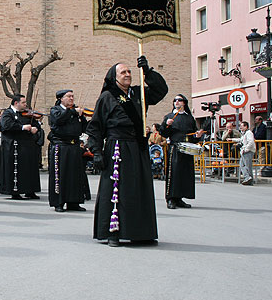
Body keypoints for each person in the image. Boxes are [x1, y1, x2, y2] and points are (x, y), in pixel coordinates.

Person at [86, 56, 168, 247]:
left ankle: (139, 231)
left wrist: (148, 71)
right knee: (117, 190)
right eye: (123, 72)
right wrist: (96, 151)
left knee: (138, 189)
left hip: (137, 147)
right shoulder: (107, 97)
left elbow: (161, 91)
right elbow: (95, 126)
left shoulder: (139, 94)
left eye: (130, 71)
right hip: (117, 146)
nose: (128, 74)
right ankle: (113, 233)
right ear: (114, 77)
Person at [159, 94, 206, 209]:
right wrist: (166, 125)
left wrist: (198, 135)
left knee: (184, 174)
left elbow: (193, 136)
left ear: (184, 103)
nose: (177, 102)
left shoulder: (189, 118)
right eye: (175, 100)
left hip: (186, 149)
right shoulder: (169, 116)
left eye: (179, 100)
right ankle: (170, 199)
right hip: (175, 148)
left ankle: (179, 198)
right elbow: (163, 133)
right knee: (173, 174)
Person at [47, 89, 88, 212]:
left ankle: (74, 202)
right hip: (61, 146)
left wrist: (82, 117)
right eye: (68, 96)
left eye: (72, 96)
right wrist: (72, 111)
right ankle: (58, 202)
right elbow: (58, 121)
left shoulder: (75, 111)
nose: (71, 98)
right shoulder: (55, 110)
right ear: (61, 98)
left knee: (75, 175)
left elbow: (84, 128)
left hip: (74, 146)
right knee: (60, 175)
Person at [0, 94, 42, 200]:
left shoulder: (27, 114)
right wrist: (22, 127)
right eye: (23, 103)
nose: (25, 105)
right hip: (14, 145)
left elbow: (35, 124)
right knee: (16, 169)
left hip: (28, 145)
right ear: (16, 103)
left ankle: (30, 190)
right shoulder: (8, 113)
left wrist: (35, 128)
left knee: (29, 168)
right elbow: (6, 126)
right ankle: (15, 191)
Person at [233, 121, 256, 185]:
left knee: (247, 166)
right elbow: (241, 139)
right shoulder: (244, 133)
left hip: (248, 151)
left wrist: (245, 149)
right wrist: (232, 139)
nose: (240, 127)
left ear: (246, 126)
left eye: (242, 126)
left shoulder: (249, 133)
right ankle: (248, 178)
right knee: (242, 165)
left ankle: (249, 178)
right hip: (245, 151)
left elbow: (251, 142)